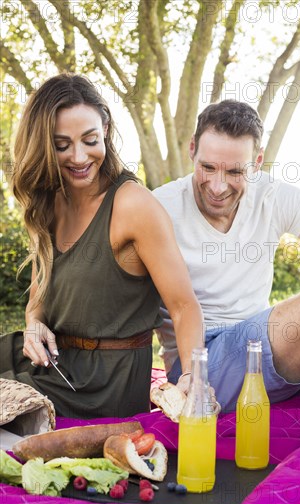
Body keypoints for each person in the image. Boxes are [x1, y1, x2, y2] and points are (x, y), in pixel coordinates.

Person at [0, 73, 204, 419]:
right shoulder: (49, 200)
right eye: (62, 145)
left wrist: (193, 377)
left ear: (106, 129)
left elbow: (184, 306)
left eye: (90, 139)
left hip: (103, 382)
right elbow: (38, 300)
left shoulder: (133, 205)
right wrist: (35, 325)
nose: (79, 157)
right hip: (54, 363)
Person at [153, 100, 300, 413]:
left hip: (263, 350)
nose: (217, 185)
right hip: (200, 363)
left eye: (236, 171)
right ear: (192, 149)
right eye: (207, 167)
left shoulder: (271, 195)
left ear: (257, 162)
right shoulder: (159, 208)